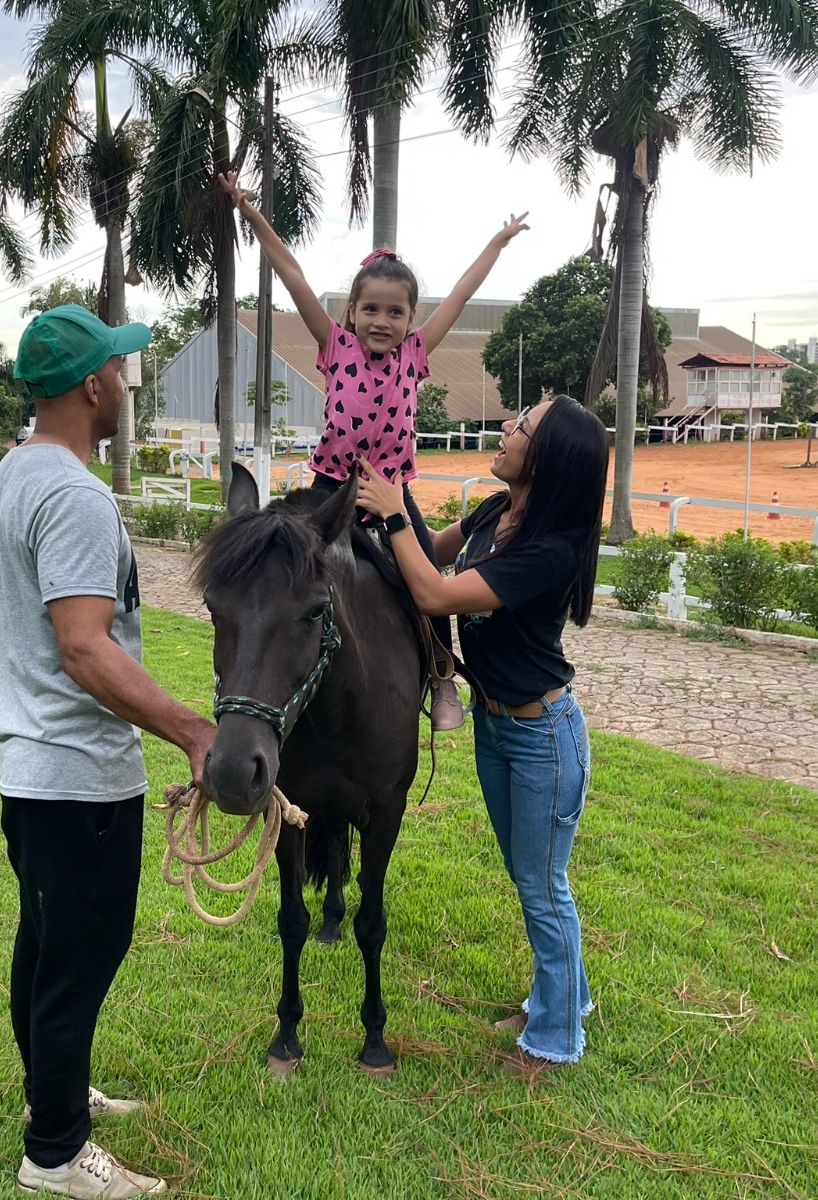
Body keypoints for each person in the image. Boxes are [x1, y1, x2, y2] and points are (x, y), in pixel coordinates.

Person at [0, 304, 215, 1197]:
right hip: (77, 776)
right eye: (116, 367)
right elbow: (83, 644)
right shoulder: (72, 493)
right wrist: (195, 730)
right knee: (78, 957)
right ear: (91, 385)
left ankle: (58, 1095)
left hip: (29, 768)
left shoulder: (15, 474)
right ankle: (56, 1157)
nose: (124, 380)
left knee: (44, 947)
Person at [218, 169, 529, 731]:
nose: (381, 321)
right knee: (281, 571)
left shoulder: (415, 354)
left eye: (395, 312)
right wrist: (250, 212)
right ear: (351, 313)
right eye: (370, 309)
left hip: (389, 495)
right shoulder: (333, 346)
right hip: (329, 489)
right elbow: (291, 274)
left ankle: (438, 676)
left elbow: (461, 293)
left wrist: (497, 243)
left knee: (428, 575)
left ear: (411, 319)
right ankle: (264, 676)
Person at [353, 396, 608, 1069]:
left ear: (545, 456)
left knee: (543, 884)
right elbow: (428, 551)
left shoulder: (550, 551)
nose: (504, 428)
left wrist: (389, 510)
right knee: (531, 878)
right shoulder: (499, 512)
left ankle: (554, 1042)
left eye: (520, 426)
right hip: (497, 728)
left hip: (542, 736)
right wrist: (392, 487)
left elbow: (435, 593)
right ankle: (566, 999)